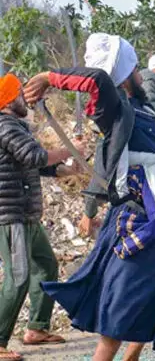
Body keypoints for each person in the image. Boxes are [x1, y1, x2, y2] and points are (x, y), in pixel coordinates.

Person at [23, 33, 155, 361]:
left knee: (153, 299)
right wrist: (46, 77)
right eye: (136, 68)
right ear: (126, 74)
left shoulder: (144, 111)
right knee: (120, 312)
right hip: (135, 220)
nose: (143, 74)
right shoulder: (115, 110)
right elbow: (98, 78)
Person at [0, 73, 86, 361]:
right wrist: (69, 150)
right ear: (11, 99)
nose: (27, 100)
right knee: (19, 277)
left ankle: (36, 328)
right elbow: (36, 157)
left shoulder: (16, 127)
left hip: (26, 214)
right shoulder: (3, 126)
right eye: (22, 95)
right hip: (10, 215)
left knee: (46, 266)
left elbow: (38, 166)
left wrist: (68, 169)